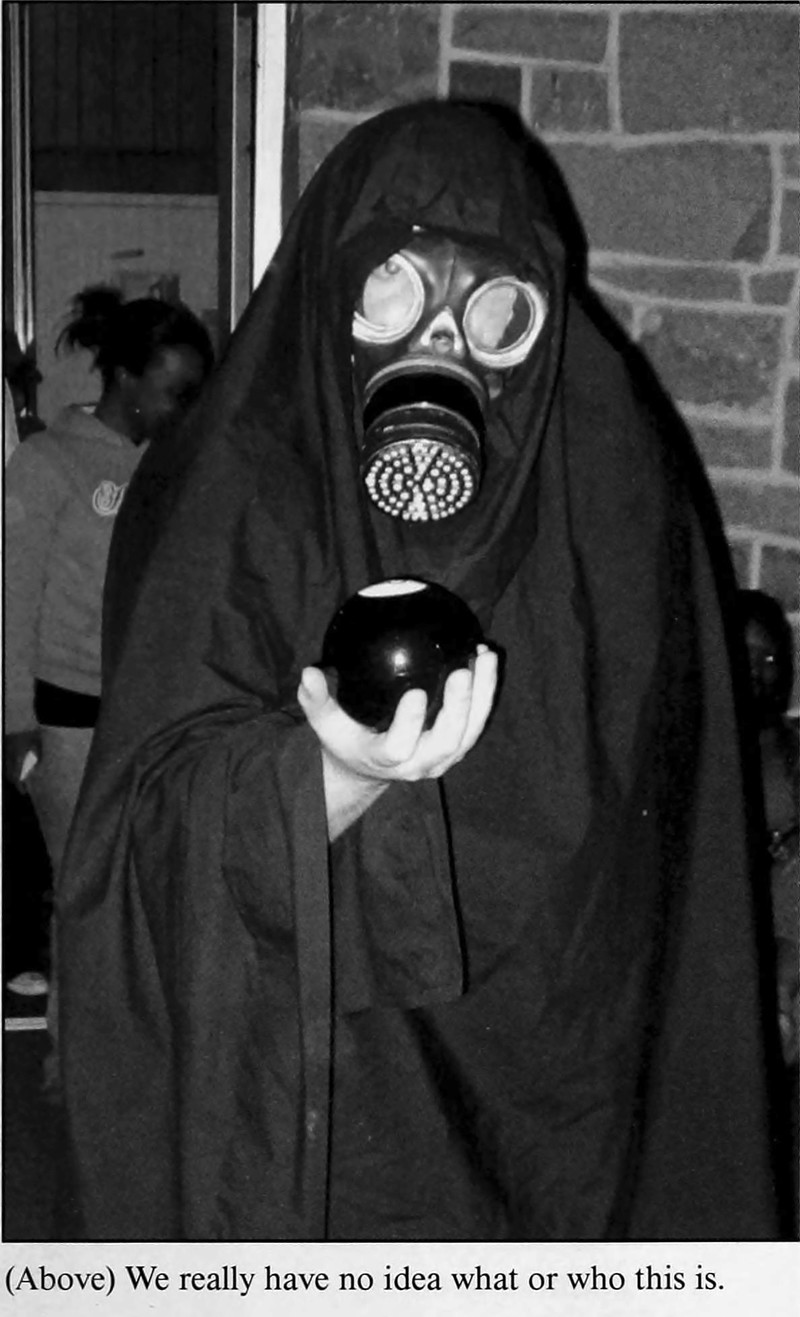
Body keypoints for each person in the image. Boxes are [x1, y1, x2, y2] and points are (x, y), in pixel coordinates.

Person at [57, 102, 789, 1241]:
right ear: (328, 285)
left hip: (562, 1107)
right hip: (334, 1100)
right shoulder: (232, 492)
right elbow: (140, 822)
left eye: (494, 307)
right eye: (392, 290)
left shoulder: (610, 484)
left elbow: (668, 852)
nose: (439, 345)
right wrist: (326, 781)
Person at [3, 286, 214, 1009]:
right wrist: (14, 721)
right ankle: (76, 1051)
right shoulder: (48, 462)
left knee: (143, 891)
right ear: (125, 377)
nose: (185, 407)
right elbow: (13, 597)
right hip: (66, 718)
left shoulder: (175, 465)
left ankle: (128, 1044)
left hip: (153, 713)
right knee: (85, 888)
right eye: (174, 391)